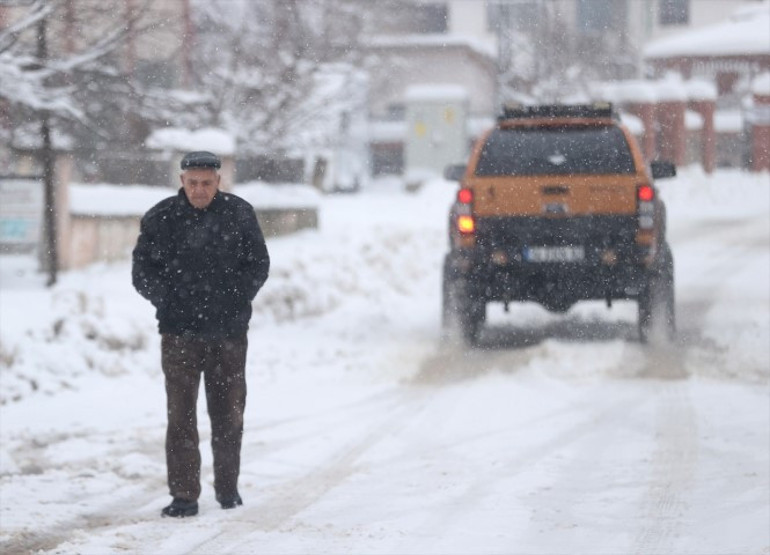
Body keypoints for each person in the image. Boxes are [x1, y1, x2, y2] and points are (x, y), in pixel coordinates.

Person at [132, 151, 270, 518]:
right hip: (179, 334)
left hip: (228, 334)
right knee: (180, 416)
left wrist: (235, 299)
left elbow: (258, 264)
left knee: (228, 414)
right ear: (182, 181)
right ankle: (184, 495)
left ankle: (228, 489)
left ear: (217, 182)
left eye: (206, 183)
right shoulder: (161, 218)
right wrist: (166, 299)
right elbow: (142, 269)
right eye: (192, 182)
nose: (199, 189)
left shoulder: (239, 214)